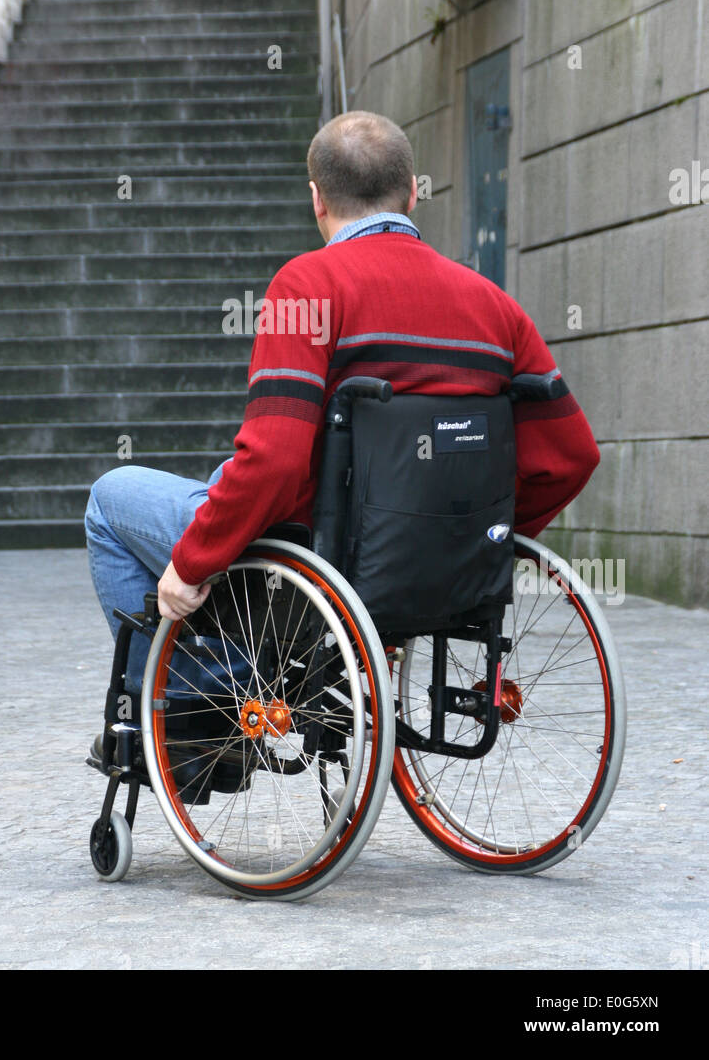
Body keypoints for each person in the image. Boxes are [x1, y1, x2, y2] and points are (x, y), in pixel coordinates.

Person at [85, 110, 599, 695]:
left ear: (316, 199)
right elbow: (573, 457)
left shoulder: (308, 287)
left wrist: (193, 561)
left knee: (110, 501)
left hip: (315, 560)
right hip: (436, 563)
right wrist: (477, 537)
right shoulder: (494, 306)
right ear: (411, 191)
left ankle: (190, 711)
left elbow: (275, 461)